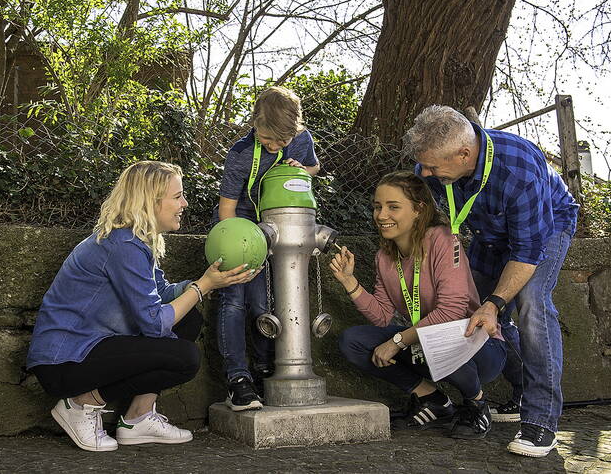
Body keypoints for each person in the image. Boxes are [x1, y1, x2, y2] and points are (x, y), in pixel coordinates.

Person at [26, 161, 257, 452]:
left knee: (189, 321)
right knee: (184, 358)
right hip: (65, 360)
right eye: (177, 196)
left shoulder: (137, 240)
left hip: (92, 348)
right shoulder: (122, 245)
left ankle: (137, 419)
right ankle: (80, 405)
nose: (184, 203)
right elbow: (153, 323)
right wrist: (203, 286)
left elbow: (160, 293)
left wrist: (205, 282)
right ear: (150, 201)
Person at [404, 105, 579, 457]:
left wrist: (495, 302)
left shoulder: (519, 170)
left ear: (464, 154)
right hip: (489, 234)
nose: (424, 172)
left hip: (546, 226)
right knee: (473, 309)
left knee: (531, 304)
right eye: (423, 164)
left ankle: (542, 421)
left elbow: (528, 251)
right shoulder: (436, 163)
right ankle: (517, 393)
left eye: (433, 167)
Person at [333, 171, 507, 439]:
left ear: (418, 210)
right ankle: (434, 400)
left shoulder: (443, 239)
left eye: (393, 207)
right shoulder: (384, 257)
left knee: (435, 338)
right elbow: (381, 317)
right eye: (378, 207)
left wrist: (399, 340)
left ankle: (477, 402)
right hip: (424, 344)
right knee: (353, 341)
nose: (381, 215)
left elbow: (452, 311)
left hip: (479, 347)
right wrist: (349, 282)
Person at [214, 86, 321, 411]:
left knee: (264, 301)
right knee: (234, 298)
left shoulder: (302, 140)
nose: (274, 146)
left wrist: (302, 169)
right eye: (267, 140)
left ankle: (262, 369)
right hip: (240, 224)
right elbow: (227, 210)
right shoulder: (241, 153)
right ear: (255, 125)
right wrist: (240, 249)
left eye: (281, 142)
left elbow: (313, 168)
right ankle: (238, 380)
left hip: (278, 221)